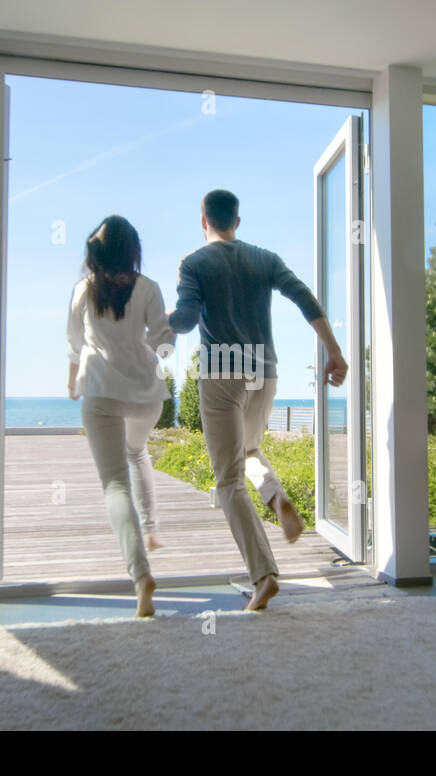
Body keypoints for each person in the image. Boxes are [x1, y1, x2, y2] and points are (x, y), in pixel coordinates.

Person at [169, 189, 349, 611]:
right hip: (264, 372)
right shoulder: (264, 258)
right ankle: (276, 497)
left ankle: (263, 574)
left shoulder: (193, 263)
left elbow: (185, 319)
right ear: (237, 220)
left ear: (203, 221)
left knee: (228, 479)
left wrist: (152, 326)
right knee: (250, 449)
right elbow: (304, 297)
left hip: (220, 373)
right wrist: (334, 351)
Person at [67, 215, 174, 618]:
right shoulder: (149, 288)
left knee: (114, 485)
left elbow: (75, 344)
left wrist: (72, 382)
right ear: (134, 251)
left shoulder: (83, 290)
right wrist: (154, 357)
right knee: (137, 452)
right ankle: (151, 530)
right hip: (147, 395)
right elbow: (164, 341)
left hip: (101, 391)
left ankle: (141, 574)